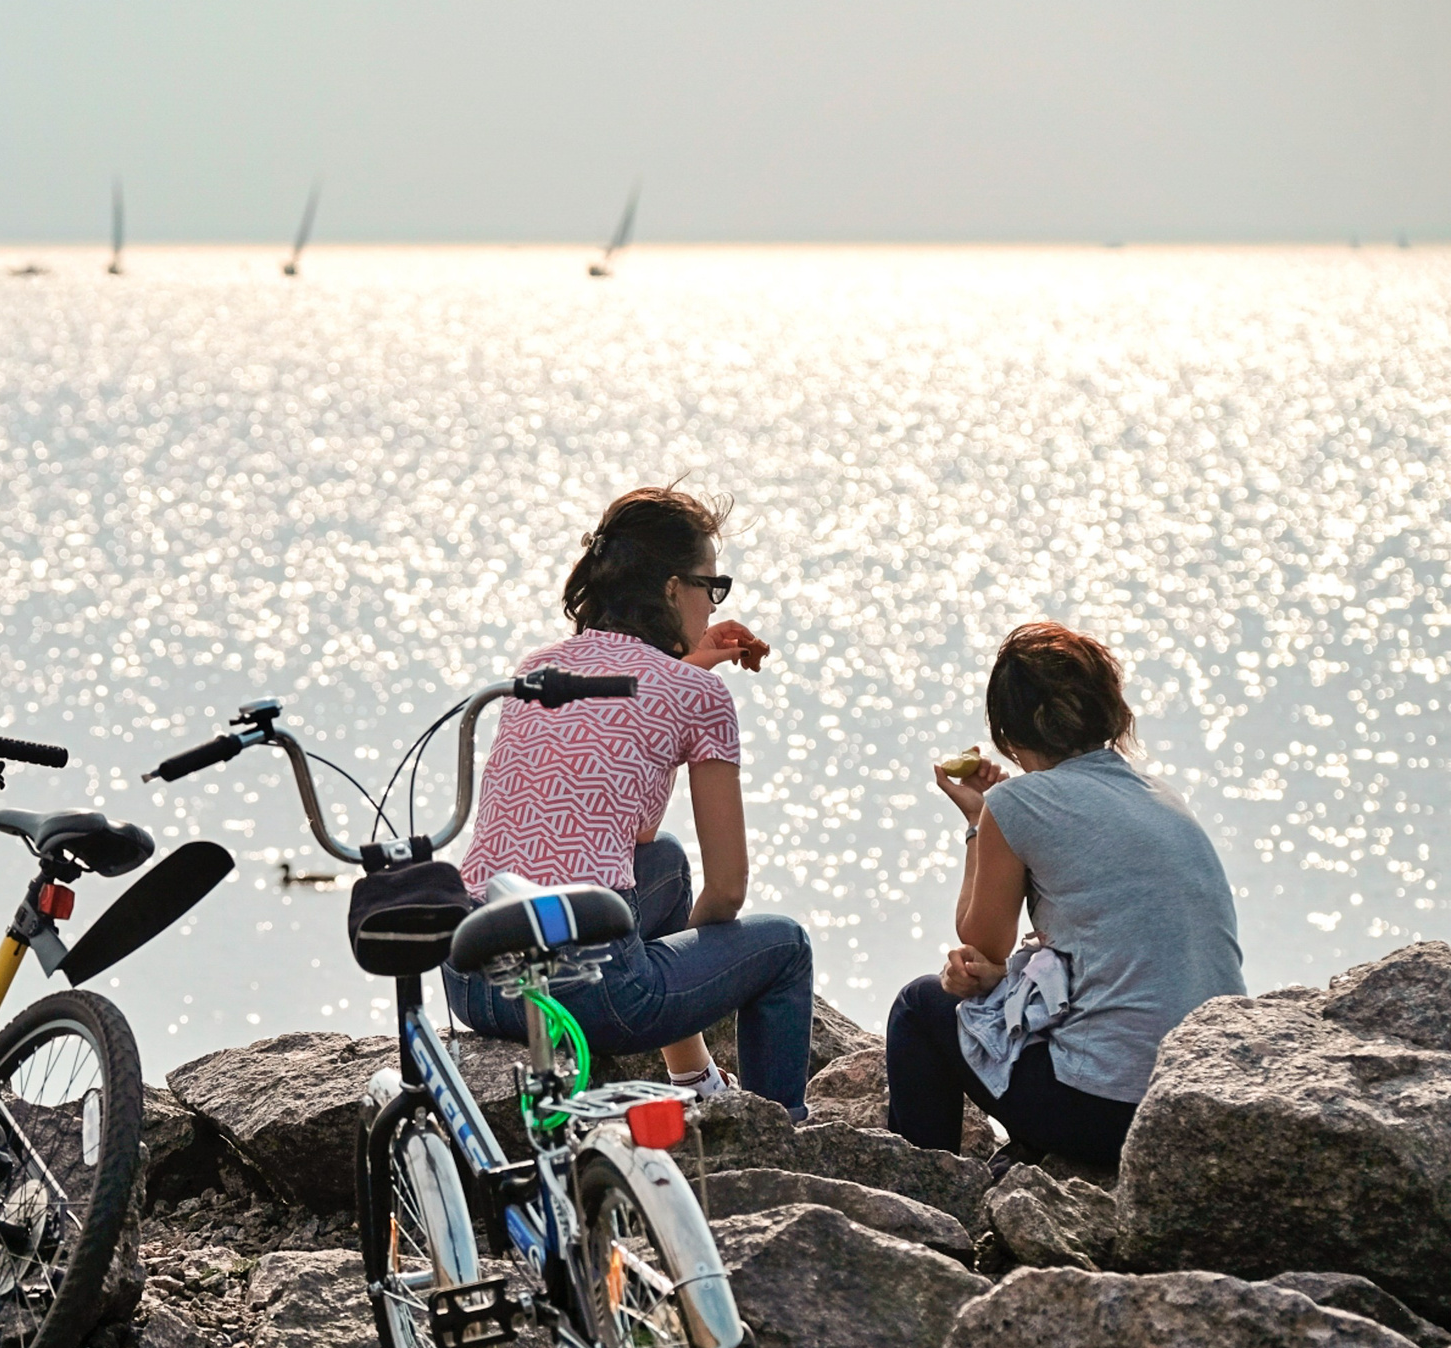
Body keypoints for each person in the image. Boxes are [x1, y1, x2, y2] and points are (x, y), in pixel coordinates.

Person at [443, 484, 815, 1120]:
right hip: (593, 998)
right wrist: (668, 963)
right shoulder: (695, 696)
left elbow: (638, 839)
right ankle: (775, 1133)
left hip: (476, 981)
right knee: (786, 948)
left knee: (665, 862)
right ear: (673, 588)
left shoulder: (537, 670)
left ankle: (694, 1076)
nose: (716, 602)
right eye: (713, 585)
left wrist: (684, 668)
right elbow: (728, 891)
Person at [886, 621, 1244, 1168]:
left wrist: (979, 819)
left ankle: (926, 1201)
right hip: (1206, 1102)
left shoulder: (1018, 803)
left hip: (1112, 1114)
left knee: (919, 1005)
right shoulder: (1160, 796)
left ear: (1010, 727)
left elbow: (981, 941)